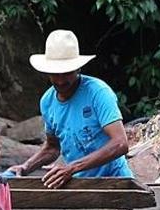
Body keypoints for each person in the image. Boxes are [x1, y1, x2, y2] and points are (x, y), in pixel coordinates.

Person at [8, 30, 131, 189]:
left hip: (115, 181)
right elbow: (53, 147)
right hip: (78, 185)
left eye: (66, 73)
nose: (60, 80)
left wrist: (72, 167)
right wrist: (26, 167)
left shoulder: (98, 92)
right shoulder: (47, 101)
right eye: (55, 74)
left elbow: (120, 143)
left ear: (78, 69)